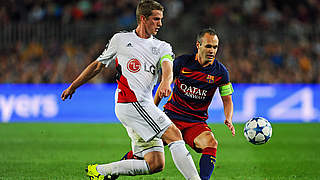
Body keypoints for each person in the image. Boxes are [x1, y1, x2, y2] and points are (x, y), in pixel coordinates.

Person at [61, 1, 201, 180]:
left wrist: (166, 82)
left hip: (142, 105)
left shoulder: (162, 46)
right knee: (174, 134)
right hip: (131, 102)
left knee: (155, 163)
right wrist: (73, 86)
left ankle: (100, 171)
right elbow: (97, 65)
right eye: (156, 19)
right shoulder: (120, 39)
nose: (160, 23)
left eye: (161, 19)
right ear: (143, 19)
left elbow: (168, 68)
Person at [122, 28, 235, 180]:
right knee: (146, 152)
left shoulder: (221, 72)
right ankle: (113, 171)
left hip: (195, 122)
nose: (212, 50)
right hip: (171, 118)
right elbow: (163, 85)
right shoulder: (183, 62)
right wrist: (152, 110)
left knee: (211, 142)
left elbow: (227, 99)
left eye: (215, 47)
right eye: (208, 46)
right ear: (198, 45)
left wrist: (228, 118)